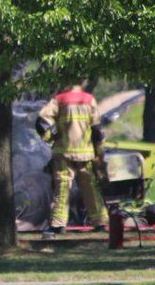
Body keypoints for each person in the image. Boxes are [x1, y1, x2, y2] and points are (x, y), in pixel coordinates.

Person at [36, 82, 108, 237]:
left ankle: (58, 225)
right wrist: (98, 151)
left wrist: (50, 138)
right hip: (86, 153)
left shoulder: (59, 99)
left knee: (62, 189)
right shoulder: (89, 99)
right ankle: (100, 222)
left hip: (64, 153)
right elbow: (97, 130)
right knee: (91, 188)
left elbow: (41, 122)